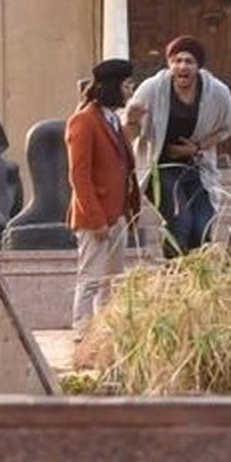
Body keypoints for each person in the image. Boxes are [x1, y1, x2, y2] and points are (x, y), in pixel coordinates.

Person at [126, 35, 231, 257]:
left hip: (197, 168)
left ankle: (196, 275)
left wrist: (197, 147)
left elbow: (227, 127)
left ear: (198, 66)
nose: (182, 66)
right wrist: (130, 120)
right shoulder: (152, 89)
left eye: (189, 61)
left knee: (202, 224)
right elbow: (128, 134)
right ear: (169, 64)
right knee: (181, 220)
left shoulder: (217, 91)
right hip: (159, 169)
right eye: (177, 61)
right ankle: (174, 274)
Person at [66, 58, 139, 332]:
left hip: (117, 213)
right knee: (91, 278)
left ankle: (105, 331)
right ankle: (82, 331)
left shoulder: (113, 120)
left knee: (112, 279)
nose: (131, 90)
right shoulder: (83, 121)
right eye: (127, 85)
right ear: (113, 87)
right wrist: (96, 218)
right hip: (94, 217)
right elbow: (79, 176)